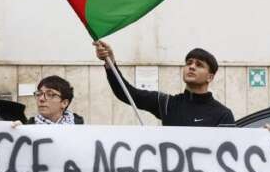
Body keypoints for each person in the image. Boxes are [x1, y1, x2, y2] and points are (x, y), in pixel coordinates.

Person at [93, 40, 234, 126]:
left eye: (199, 65)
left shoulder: (223, 114)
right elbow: (126, 93)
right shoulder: (166, 104)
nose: (191, 67)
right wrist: (110, 62)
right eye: (189, 63)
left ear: (210, 77)